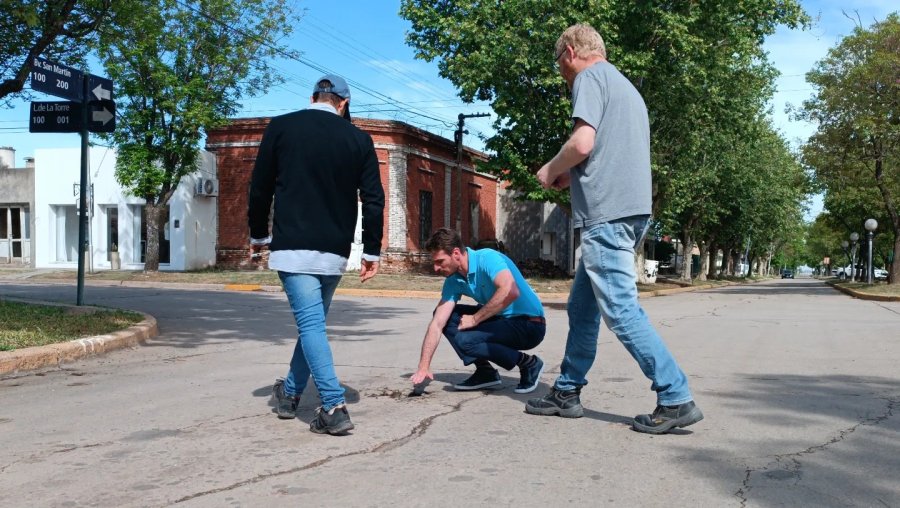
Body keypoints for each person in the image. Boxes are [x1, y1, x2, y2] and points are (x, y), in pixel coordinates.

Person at [528, 24, 703, 434]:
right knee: (582, 307)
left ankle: (675, 395)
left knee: (621, 310)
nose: (562, 75)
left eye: (560, 66)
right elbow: (607, 154)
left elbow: (583, 143)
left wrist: (552, 168)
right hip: (631, 210)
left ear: (570, 52)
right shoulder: (627, 89)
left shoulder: (589, 78)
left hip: (607, 215)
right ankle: (567, 391)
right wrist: (572, 178)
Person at [248, 74, 384, 436]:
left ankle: (334, 406)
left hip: (293, 247)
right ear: (343, 103)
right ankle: (290, 393)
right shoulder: (358, 139)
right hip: (334, 253)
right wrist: (372, 251)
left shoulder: (281, 127)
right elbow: (373, 199)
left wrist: (258, 235)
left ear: (314, 97)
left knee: (311, 326)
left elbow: (259, 188)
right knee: (313, 326)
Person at [410, 228, 546, 394]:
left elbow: (510, 291)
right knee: (448, 317)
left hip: (529, 324)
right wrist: (423, 366)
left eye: (440, 262)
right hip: (501, 320)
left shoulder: (487, 258)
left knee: (465, 340)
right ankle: (485, 372)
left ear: (456, 253)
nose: (436, 268)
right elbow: (437, 323)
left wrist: (475, 319)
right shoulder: (453, 279)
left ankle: (529, 363)